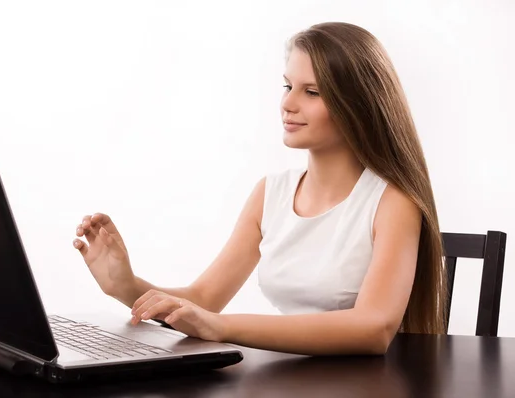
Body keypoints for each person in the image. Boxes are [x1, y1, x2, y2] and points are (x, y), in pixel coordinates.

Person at [73, 21, 447, 356]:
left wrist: (224, 328)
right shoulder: (271, 193)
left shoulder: (393, 202)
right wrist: (124, 286)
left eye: (312, 92)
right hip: (288, 378)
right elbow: (204, 300)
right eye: (288, 86)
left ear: (359, 104)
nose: (287, 103)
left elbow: (373, 328)